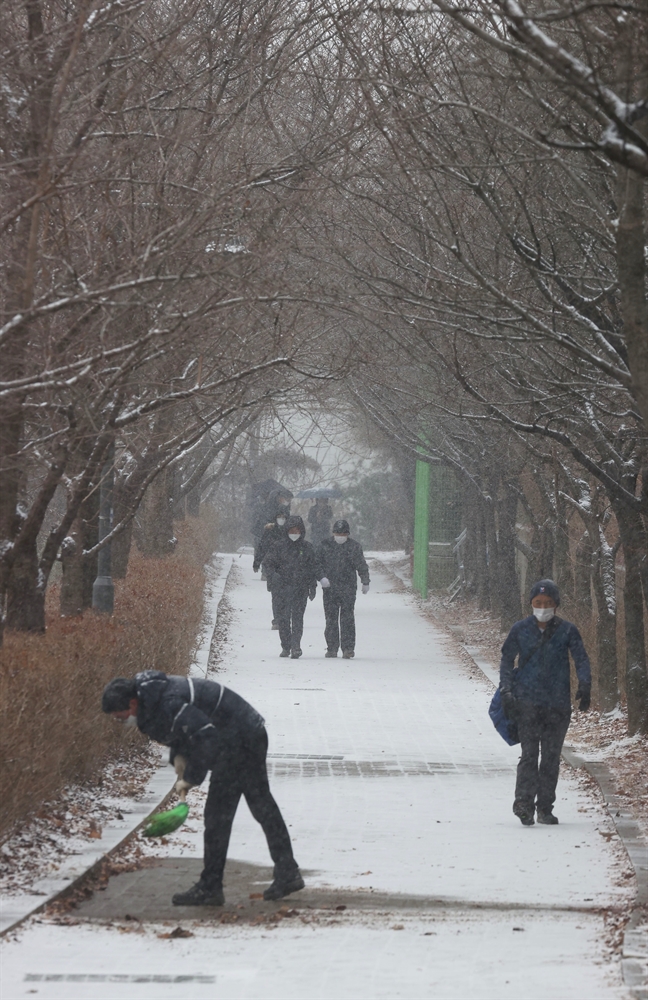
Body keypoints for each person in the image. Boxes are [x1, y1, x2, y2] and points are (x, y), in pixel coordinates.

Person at [101, 671, 304, 905]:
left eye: (120, 716)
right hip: (240, 734)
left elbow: (205, 736)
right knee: (256, 805)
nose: (121, 721)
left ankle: (212, 886)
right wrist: (179, 757)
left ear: (132, 702)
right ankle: (285, 871)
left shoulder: (166, 701)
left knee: (222, 815)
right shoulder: (153, 698)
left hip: (240, 737)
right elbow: (182, 731)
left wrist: (192, 777)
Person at [499, 579, 591, 827]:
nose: (543, 607)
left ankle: (545, 807)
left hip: (558, 705)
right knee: (529, 755)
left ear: (556, 605)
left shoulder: (567, 630)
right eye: (538, 603)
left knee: (550, 758)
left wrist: (585, 684)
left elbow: (580, 658)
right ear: (530, 604)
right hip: (527, 702)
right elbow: (507, 660)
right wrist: (506, 689)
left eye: (548, 603)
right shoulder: (520, 629)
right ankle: (523, 804)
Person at [264, 514, 321, 658]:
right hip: (282, 588)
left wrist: (312, 586)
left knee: (297, 619)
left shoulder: (307, 547)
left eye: (297, 531)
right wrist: (273, 578)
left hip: (300, 589)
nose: (294, 534)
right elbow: (268, 564)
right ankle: (286, 646)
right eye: (291, 531)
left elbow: (312, 567)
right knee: (283, 619)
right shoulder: (278, 546)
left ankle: (296, 646)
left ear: (301, 531)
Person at [316, 518, 370, 659]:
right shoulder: (325, 545)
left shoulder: (354, 547)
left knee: (347, 618)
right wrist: (321, 577)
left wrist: (365, 581)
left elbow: (361, 565)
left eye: (343, 534)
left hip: (348, 588)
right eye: (338, 533)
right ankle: (332, 647)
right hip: (330, 588)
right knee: (331, 619)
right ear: (333, 533)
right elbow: (317, 564)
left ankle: (348, 648)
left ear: (348, 534)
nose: (340, 536)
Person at [253, 504, 290, 625]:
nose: (281, 519)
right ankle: (277, 618)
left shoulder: (291, 531)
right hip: (272, 566)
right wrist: (257, 562)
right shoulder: (269, 531)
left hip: (288, 567)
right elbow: (262, 546)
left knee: (287, 594)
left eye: (283, 517)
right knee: (276, 594)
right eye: (279, 517)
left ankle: (285, 617)